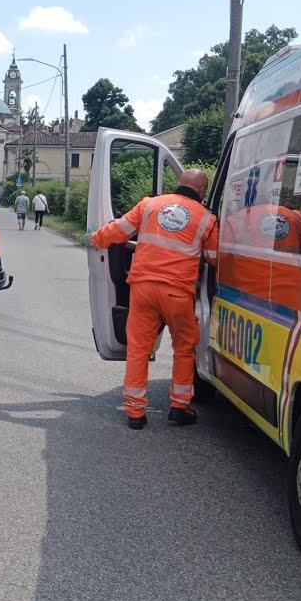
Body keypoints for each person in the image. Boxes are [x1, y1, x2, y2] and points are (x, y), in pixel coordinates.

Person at [89, 168, 218, 430]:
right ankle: (179, 408)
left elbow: (118, 230)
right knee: (184, 349)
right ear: (202, 191)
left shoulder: (150, 205)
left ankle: (135, 413)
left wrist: (94, 238)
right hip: (178, 293)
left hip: (143, 289)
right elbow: (215, 258)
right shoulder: (206, 219)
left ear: (179, 183)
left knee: (138, 349)